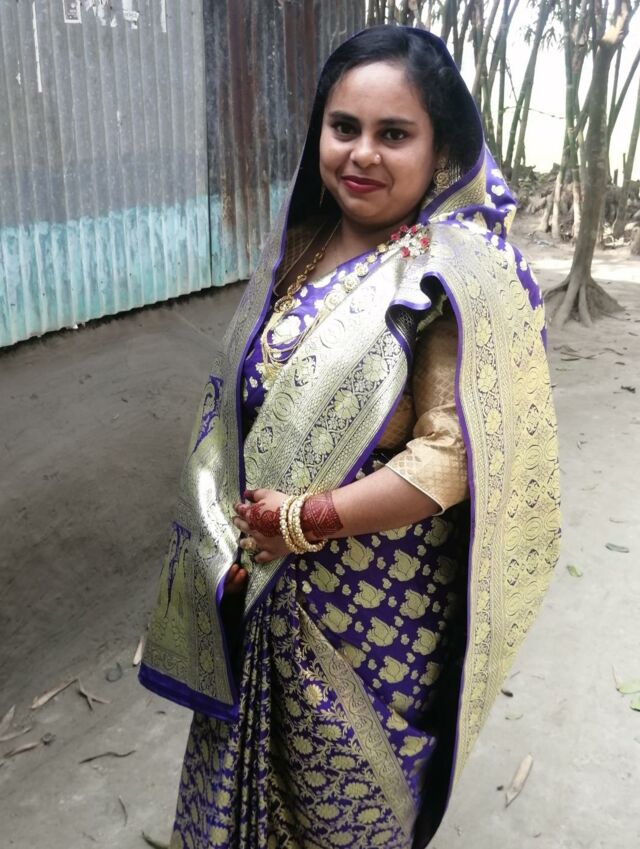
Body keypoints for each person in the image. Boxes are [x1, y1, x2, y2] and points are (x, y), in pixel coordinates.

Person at [139, 25, 561, 849]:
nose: (361, 153)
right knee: (241, 791)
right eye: (344, 128)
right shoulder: (299, 244)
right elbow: (235, 407)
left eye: (393, 134)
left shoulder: (458, 275)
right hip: (258, 580)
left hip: (373, 615)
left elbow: (452, 457)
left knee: (344, 811)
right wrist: (229, 538)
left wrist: (306, 520)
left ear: (440, 147)